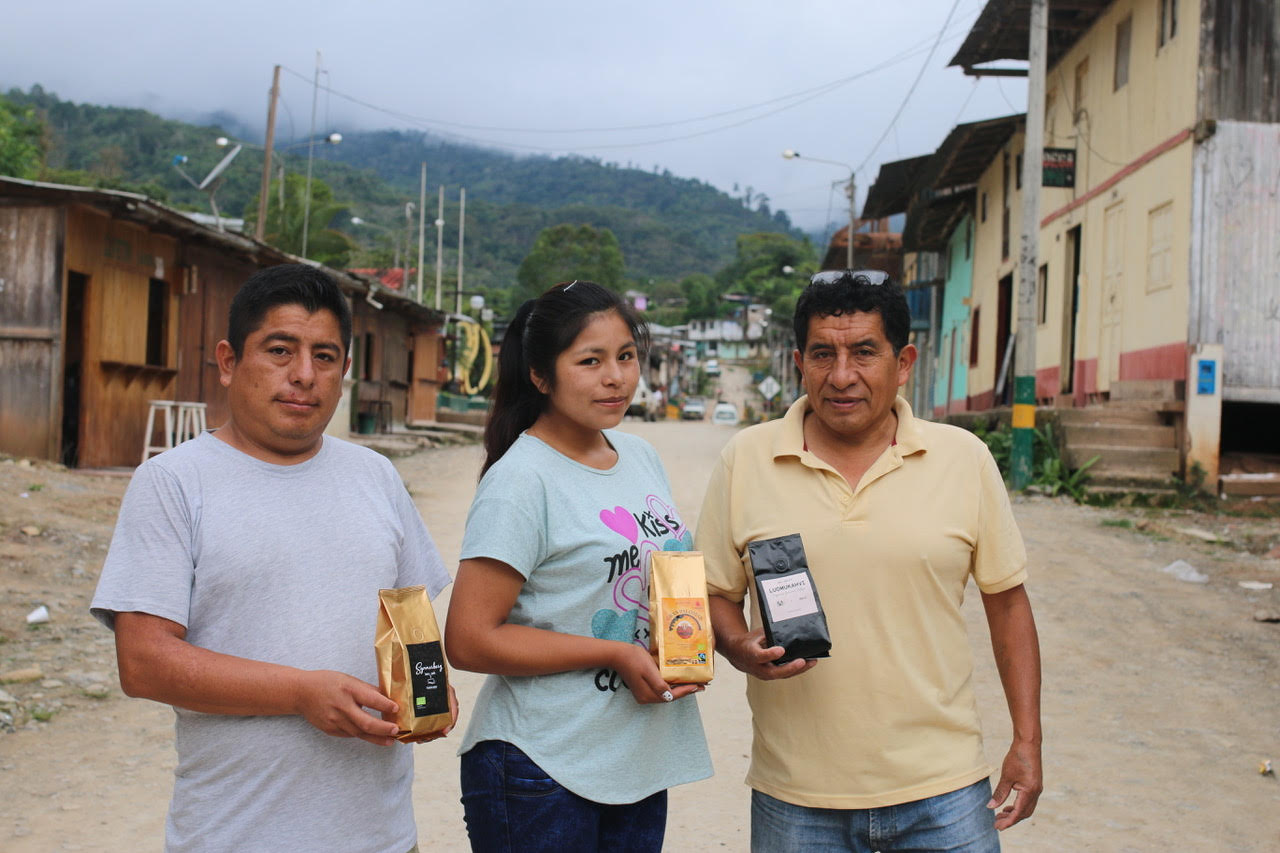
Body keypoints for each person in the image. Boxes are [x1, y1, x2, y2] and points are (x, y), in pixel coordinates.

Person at [90, 264, 456, 853]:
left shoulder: (375, 476)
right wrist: (301, 692)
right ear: (230, 361)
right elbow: (143, 662)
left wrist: (428, 688)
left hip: (382, 836)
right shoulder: (174, 483)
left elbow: (410, 612)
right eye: (280, 350)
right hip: (236, 834)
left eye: (326, 356)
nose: (304, 376)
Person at [696, 269, 1042, 853]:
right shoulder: (746, 459)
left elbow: (1007, 605)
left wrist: (1027, 742)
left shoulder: (964, 459)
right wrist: (737, 648)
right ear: (798, 360)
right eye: (823, 354)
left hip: (946, 790)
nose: (842, 376)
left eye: (864, 353)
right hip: (796, 799)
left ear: (903, 362)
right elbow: (714, 594)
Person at [445, 280, 712, 853]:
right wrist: (614, 651)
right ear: (541, 376)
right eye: (590, 361)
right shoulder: (521, 481)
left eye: (625, 357)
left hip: (636, 762)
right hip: (542, 770)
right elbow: (468, 640)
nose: (614, 377)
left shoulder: (640, 456)